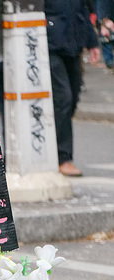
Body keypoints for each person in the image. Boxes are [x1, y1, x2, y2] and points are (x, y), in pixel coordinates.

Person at [44, 0, 101, 176]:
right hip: (51, 44)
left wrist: (92, 42)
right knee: (63, 98)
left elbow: (83, 9)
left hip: (73, 44)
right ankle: (63, 158)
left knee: (73, 98)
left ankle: (51, 145)